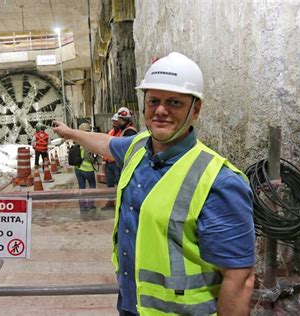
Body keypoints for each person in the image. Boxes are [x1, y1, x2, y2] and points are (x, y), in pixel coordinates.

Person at [53, 52, 255, 315]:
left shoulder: (219, 181)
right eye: (154, 101)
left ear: (195, 110)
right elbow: (106, 143)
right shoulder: (137, 146)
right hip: (131, 304)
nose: (161, 110)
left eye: (174, 102)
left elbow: (239, 280)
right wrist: (70, 133)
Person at [74, 122, 97, 214]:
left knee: (81, 188)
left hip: (77, 168)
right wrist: (94, 160)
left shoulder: (76, 141)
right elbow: (88, 157)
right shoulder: (87, 142)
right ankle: (91, 205)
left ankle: (82, 206)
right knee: (92, 187)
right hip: (87, 169)